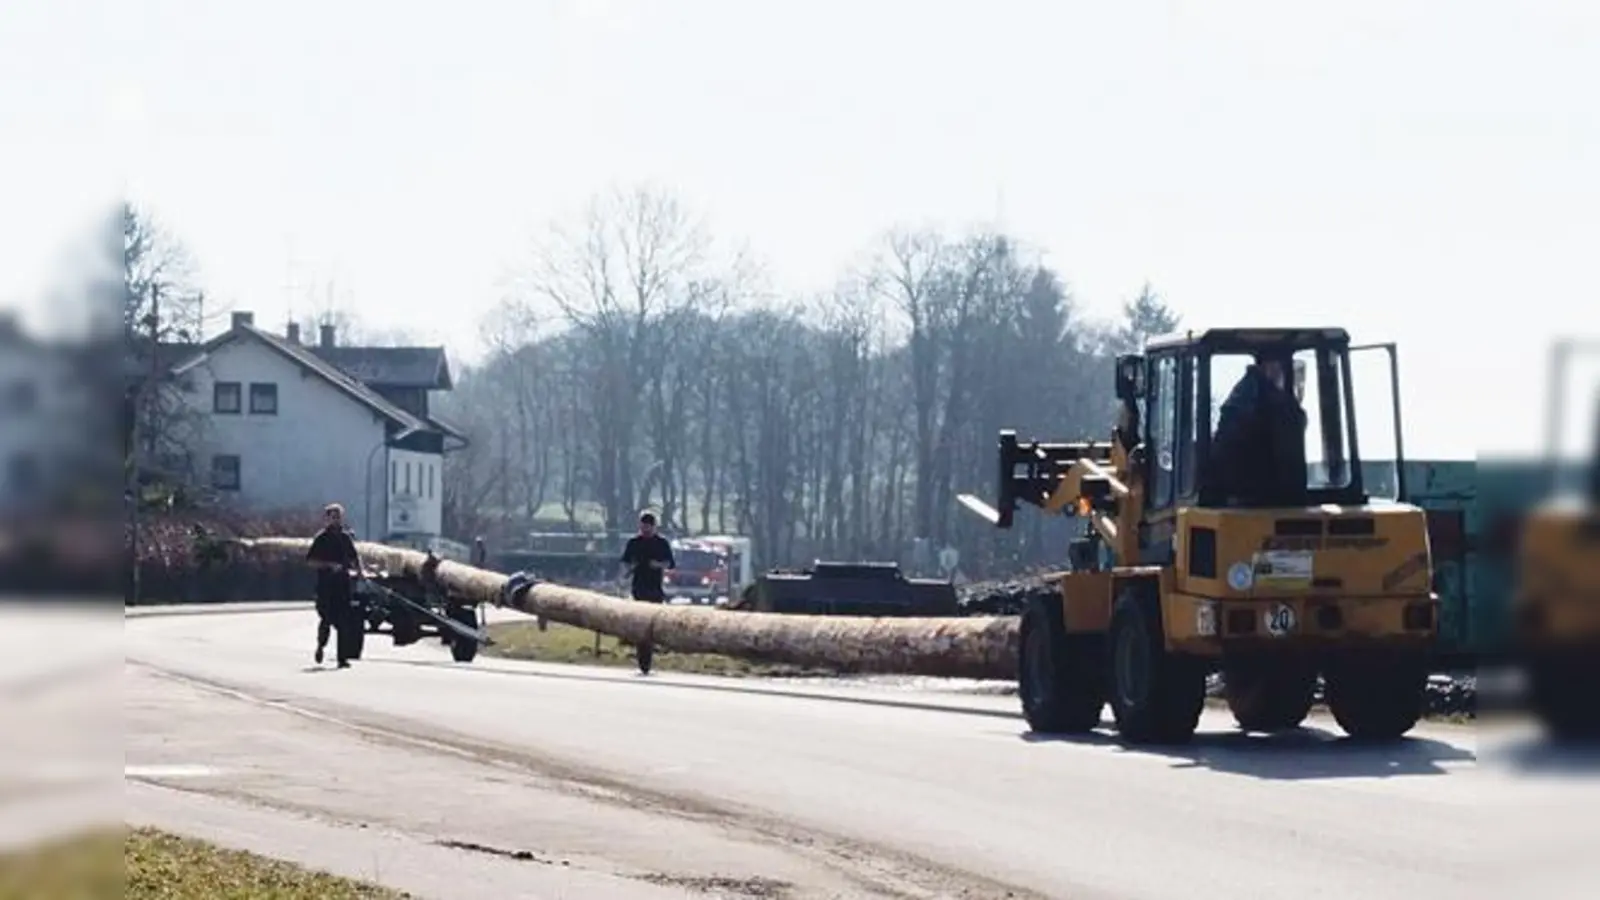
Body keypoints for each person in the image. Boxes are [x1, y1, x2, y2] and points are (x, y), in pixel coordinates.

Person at [1207, 352, 1309, 506]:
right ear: (1271, 367)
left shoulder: (1243, 397)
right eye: (1283, 369)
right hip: (1253, 497)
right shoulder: (1270, 404)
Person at [306, 503, 363, 668]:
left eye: (338, 516)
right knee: (326, 619)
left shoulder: (346, 538)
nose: (336, 519)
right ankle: (321, 646)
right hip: (326, 586)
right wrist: (329, 565)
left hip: (342, 586)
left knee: (344, 622)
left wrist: (359, 571)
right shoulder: (321, 538)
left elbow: (354, 557)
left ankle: (342, 658)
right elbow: (310, 561)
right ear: (327, 518)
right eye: (333, 516)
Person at [619, 512, 675, 673]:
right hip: (638, 587)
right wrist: (627, 572)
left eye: (648, 527)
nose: (645, 530)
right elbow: (625, 562)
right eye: (642, 527)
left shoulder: (661, 543)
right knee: (640, 624)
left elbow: (669, 564)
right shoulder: (634, 542)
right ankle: (642, 659)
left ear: (653, 527)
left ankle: (650, 655)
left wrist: (656, 565)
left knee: (652, 625)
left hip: (655, 588)